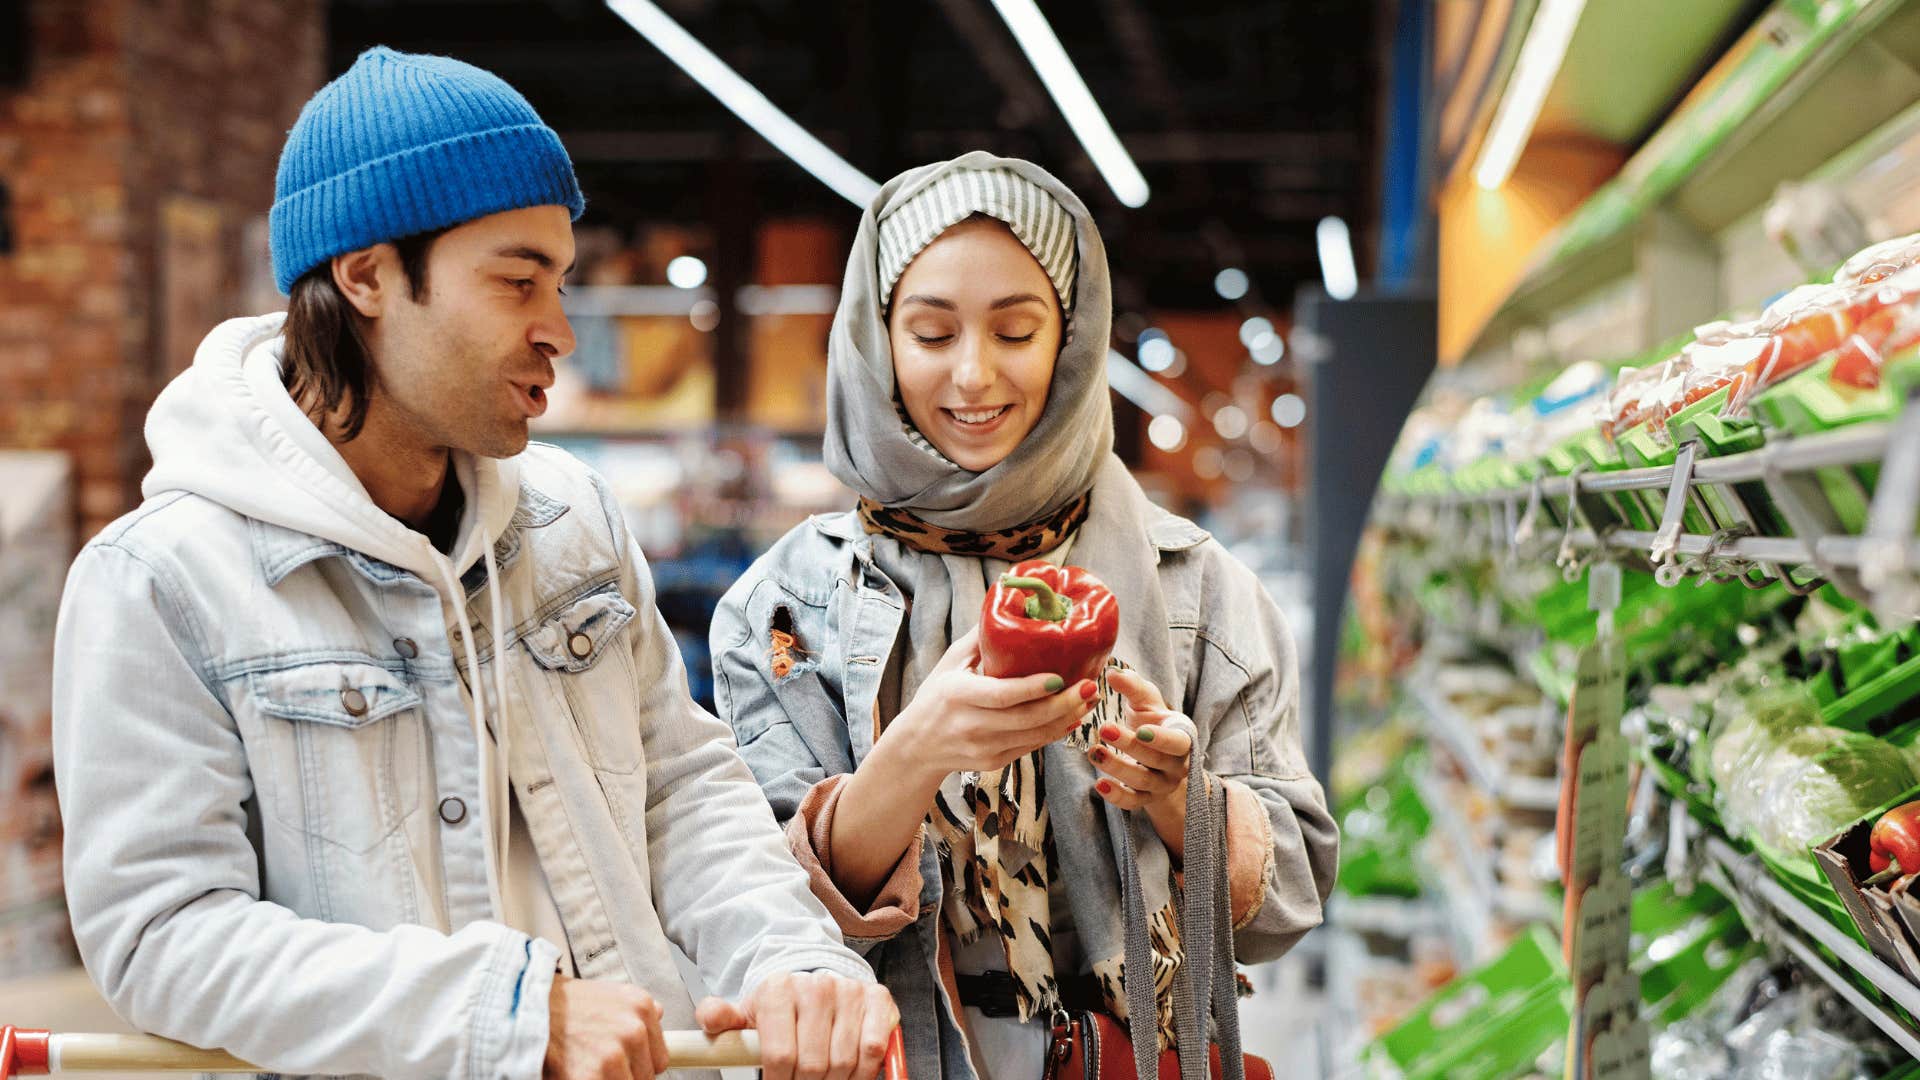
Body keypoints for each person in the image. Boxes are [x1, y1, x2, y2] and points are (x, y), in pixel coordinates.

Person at [51, 47, 893, 1080]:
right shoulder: (165, 581)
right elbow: (164, 936)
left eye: (561, 282)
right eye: (515, 281)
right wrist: (503, 1015)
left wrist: (788, 956)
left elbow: (680, 788)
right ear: (365, 274)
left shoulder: (574, 521)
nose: (557, 333)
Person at [708, 151, 1339, 1079]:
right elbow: (750, 907)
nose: (972, 376)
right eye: (929, 334)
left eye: (1016, 331)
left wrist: (1178, 798)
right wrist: (916, 751)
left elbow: (1290, 894)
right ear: (877, 341)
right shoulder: (786, 607)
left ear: (1072, 341)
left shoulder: (1191, 589)